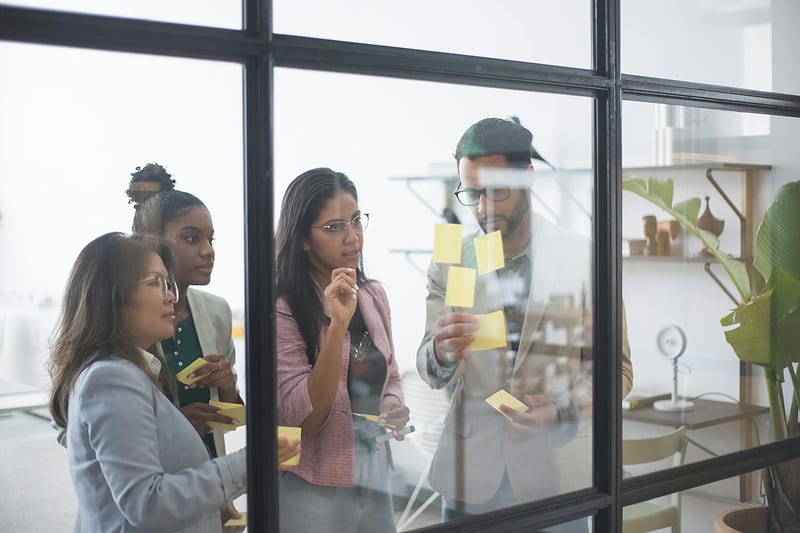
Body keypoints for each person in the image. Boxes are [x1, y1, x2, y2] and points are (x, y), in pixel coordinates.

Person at [416, 118, 633, 530]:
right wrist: (442, 354)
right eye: (472, 193)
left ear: (528, 177)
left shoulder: (584, 258)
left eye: (497, 191)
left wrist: (561, 409)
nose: (483, 208)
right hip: (469, 484)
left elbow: (617, 371)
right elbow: (429, 367)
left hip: (555, 484)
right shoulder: (451, 258)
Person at [48, 232, 298, 532]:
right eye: (155, 282)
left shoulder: (128, 372)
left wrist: (209, 504)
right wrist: (252, 463)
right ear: (112, 296)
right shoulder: (110, 378)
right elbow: (146, 504)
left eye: (168, 283)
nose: (170, 295)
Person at [275, 168, 410, 533]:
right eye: (334, 227)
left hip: (374, 472)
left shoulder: (373, 296)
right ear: (303, 238)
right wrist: (337, 324)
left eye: (355, 221)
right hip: (312, 482)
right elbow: (307, 417)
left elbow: (391, 376)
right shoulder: (283, 307)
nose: (352, 238)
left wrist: (392, 406)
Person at [126, 163, 246, 526]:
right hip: (143, 501)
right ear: (152, 243)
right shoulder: (121, 320)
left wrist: (226, 385)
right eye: (193, 239)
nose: (209, 251)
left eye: (212, 239)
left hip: (207, 489)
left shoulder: (216, 312)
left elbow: (230, 417)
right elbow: (74, 430)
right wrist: (174, 427)